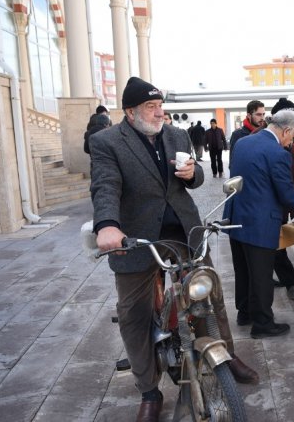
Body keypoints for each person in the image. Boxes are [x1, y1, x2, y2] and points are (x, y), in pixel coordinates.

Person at [90, 77, 258, 422]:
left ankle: (226, 354)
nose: (159, 112)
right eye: (151, 107)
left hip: (184, 230)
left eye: (160, 105)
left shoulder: (176, 134)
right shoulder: (106, 141)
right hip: (136, 238)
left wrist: (192, 172)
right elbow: (105, 184)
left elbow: (195, 178)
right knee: (133, 313)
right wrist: (107, 224)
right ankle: (149, 390)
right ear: (131, 111)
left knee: (209, 295)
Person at [224, 109, 294, 338]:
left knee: (243, 271)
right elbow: (286, 192)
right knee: (262, 275)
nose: (290, 143)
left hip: (237, 218)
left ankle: (244, 313)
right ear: (286, 130)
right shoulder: (277, 152)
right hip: (260, 222)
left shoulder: (243, 142)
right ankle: (262, 323)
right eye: (292, 137)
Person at [267, 98, 294, 302]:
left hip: (285, 204)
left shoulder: (287, 142)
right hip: (270, 207)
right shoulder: (264, 140)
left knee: (278, 244)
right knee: (276, 246)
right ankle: (290, 282)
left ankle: (283, 280)